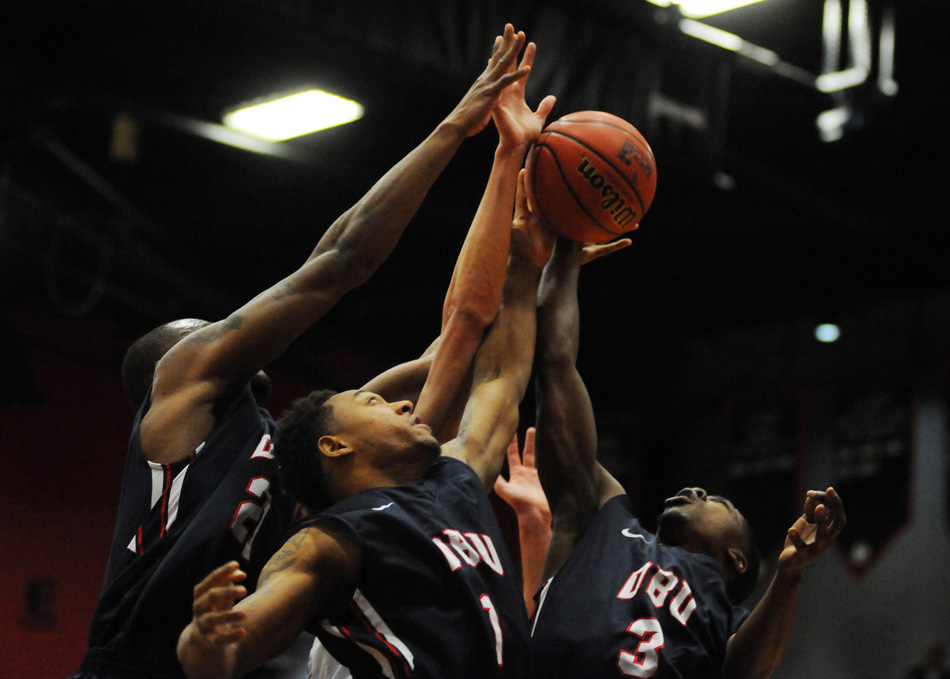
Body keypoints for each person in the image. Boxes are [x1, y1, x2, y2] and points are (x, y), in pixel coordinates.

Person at [69, 24, 536, 679]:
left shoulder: (302, 442)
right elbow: (341, 261)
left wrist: (515, 193)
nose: (229, 329)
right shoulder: (179, 405)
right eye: (210, 328)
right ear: (171, 367)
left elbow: (458, 337)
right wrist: (455, 126)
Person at [176, 167, 556, 679]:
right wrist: (204, 640)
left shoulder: (454, 479)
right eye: (373, 404)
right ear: (335, 447)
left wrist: (529, 267)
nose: (403, 405)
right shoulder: (330, 540)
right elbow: (233, 643)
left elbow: (502, 376)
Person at [527, 237, 847, 679]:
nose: (695, 490)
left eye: (720, 502)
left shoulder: (728, 622)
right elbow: (555, 362)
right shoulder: (600, 520)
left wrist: (789, 574)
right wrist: (566, 248)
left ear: (736, 559)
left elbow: (748, 672)